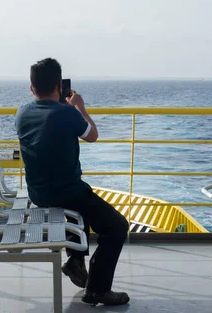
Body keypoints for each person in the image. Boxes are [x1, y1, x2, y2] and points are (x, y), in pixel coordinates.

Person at [15, 58, 130, 306]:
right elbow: (93, 135)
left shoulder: (22, 112)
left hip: (38, 193)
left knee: (83, 201)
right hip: (66, 192)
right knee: (117, 227)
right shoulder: (68, 113)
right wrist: (79, 107)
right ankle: (97, 290)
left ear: (32, 88)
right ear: (59, 85)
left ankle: (76, 261)